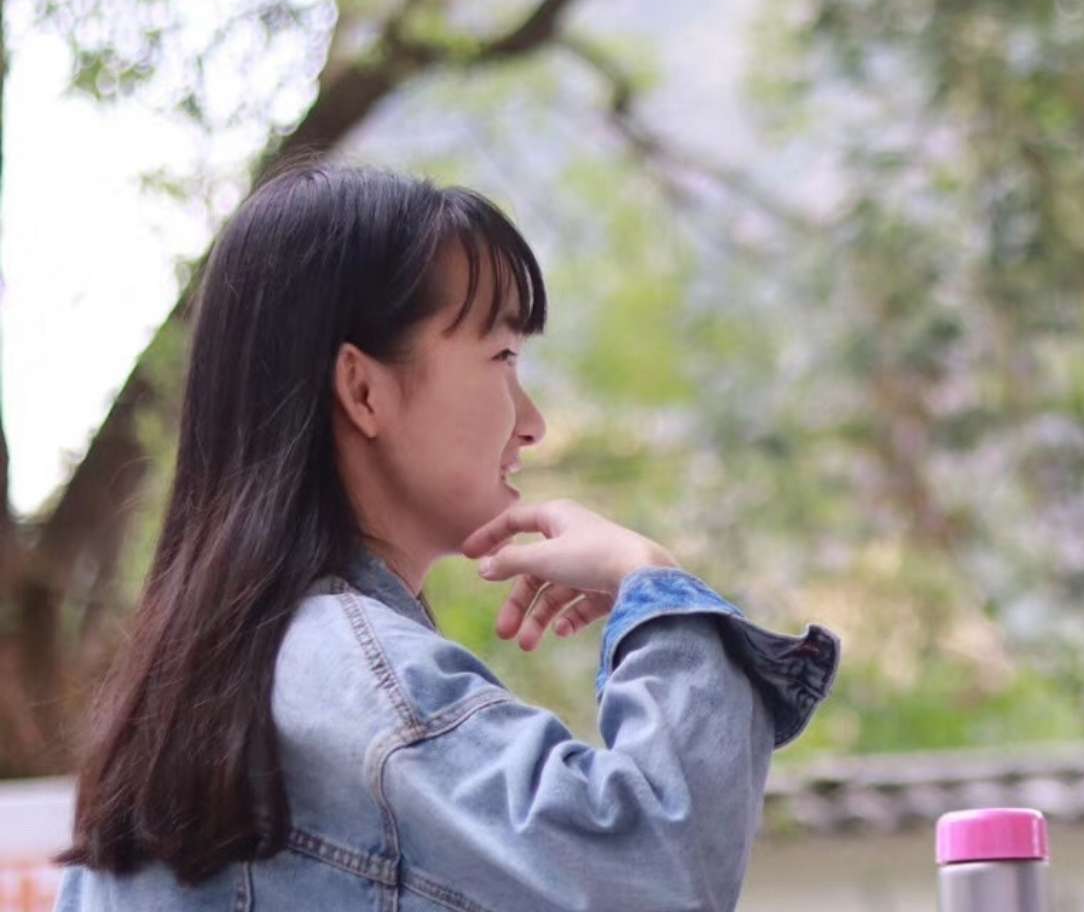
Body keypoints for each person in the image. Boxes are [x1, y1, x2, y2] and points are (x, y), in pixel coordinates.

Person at [57, 165, 839, 910]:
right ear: (363, 389)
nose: (530, 423)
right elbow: (661, 869)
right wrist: (654, 586)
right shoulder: (362, 690)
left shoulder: (178, 706)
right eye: (501, 355)